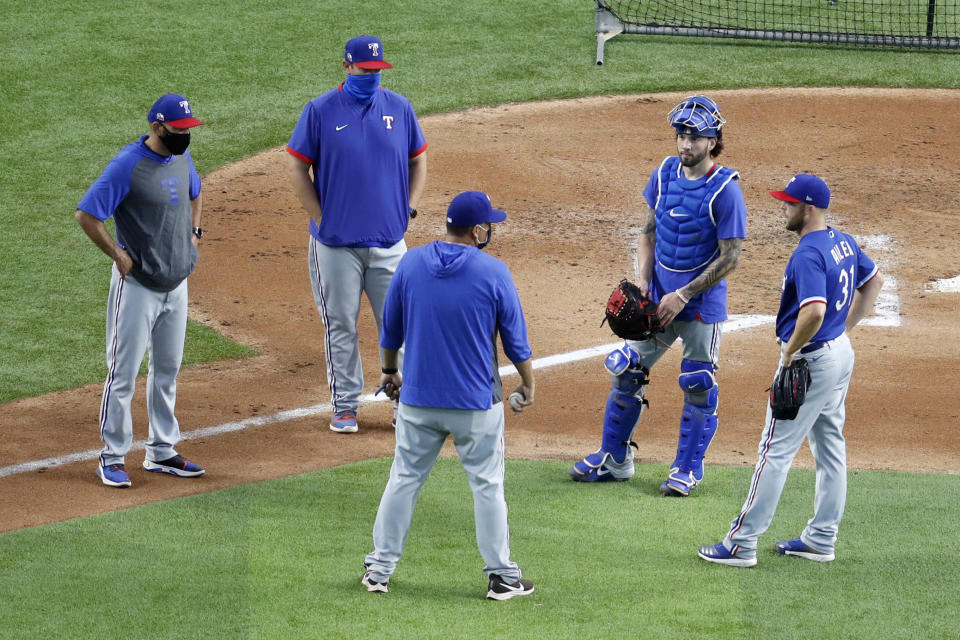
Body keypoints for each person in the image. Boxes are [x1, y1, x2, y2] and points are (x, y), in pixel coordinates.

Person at [698, 174, 882, 567]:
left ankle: (741, 543)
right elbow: (874, 281)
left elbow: (814, 311)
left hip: (810, 361)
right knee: (831, 448)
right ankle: (821, 539)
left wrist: (789, 354)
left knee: (774, 451)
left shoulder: (808, 254)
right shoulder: (842, 241)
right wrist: (843, 330)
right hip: (838, 355)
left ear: (808, 208)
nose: (782, 207)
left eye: (789, 202)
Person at [361, 191, 536, 600]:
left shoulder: (411, 263)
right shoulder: (494, 272)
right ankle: (501, 577)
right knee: (488, 486)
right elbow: (516, 343)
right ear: (476, 230)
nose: (490, 230)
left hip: (418, 402)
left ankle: (379, 569)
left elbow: (390, 332)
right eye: (488, 224)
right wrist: (528, 383)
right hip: (476, 405)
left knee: (404, 479)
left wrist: (390, 373)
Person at [570, 95, 748, 497]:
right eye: (681, 135)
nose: (686, 144)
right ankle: (615, 460)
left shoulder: (726, 190)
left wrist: (683, 295)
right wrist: (644, 280)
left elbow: (731, 257)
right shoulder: (665, 174)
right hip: (658, 304)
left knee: (698, 382)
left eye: (695, 137)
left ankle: (687, 469)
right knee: (625, 368)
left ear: (713, 140)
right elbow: (648, 232)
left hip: (700, 307)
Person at [286, 34, 428, 434]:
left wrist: (410, 206)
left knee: (397, 324)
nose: (372, 77)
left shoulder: (399, 108)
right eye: (365, 70)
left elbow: (419, 160)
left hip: (388, 242)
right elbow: (297, 167)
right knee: (340, 323)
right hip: (335, 246)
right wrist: (319, 216)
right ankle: (345, 405)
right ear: (347, 67)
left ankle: (404, 402)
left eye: (378, 71)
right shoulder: (319, 111)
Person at [75, 93, 207, 488]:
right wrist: (117, 253)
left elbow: (195, 191)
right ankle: (112, 456)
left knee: (167, 370)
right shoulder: (127, 165)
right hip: (138, 289)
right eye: (178, 130)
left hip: (176, 285)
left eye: (188, 130)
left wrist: (195, 232)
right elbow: (87, 214)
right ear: (156, 127)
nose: (184, 136)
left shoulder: (182, 157)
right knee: (124, 373)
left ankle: (162, 450)